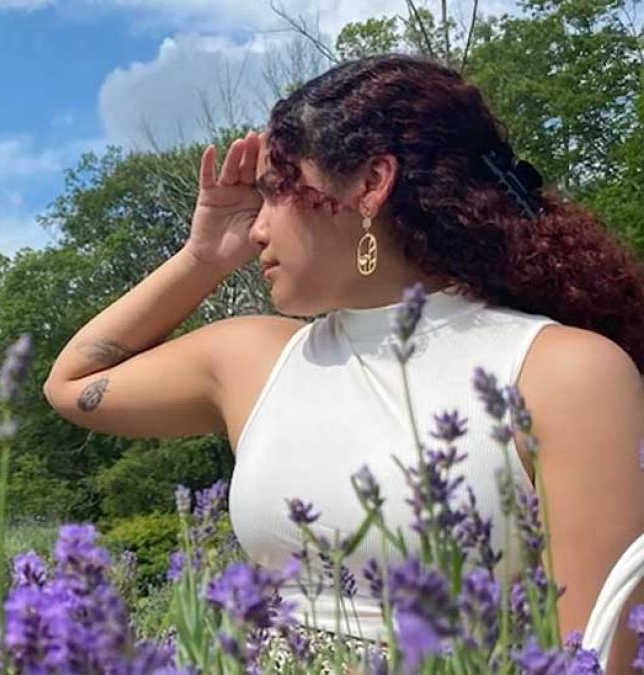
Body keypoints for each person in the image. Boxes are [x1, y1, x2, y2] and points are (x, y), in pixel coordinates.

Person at [42, 53, 644, 671]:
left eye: (276, 193)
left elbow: (592, 658)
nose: (255, 229)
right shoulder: (256, 356)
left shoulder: (562, 372)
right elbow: (72, 384)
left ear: (369, 184)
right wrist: (201, 258)